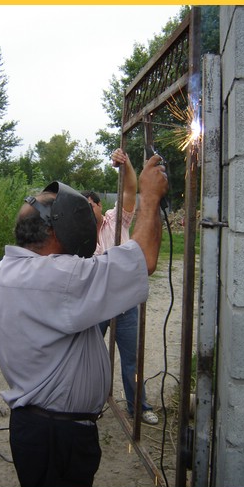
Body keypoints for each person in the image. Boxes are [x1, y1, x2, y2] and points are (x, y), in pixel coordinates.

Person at [0, 154, 168, 487]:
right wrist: (151, 197)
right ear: (58, 229)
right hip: (59, 437)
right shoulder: (59, 277)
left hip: (35, 428)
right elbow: (144, 260)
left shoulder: (4, 270)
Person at [82, 148, 159, 425]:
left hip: (124, 304)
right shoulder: (77, 236)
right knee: (87, 357)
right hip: (97, 305)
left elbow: (129, 190)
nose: (87, 210)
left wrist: (124, 165)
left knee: (131, 358)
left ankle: (138, 406)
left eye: (89, 204)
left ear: (99, 205)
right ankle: (86, 407)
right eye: (82, 207)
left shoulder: (116, 220)